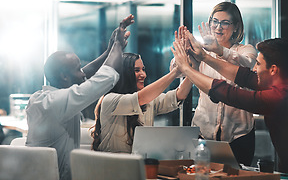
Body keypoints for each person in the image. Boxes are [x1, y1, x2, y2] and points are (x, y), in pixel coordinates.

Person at [171, 32, 288, 177]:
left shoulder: (279, 97)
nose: (254, 69)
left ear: (273, 69)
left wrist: (187, 69)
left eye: (258, 64)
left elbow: (230, 94)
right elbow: (245, 77)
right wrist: (205, 57)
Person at [26, 14, 134, 180]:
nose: (82, 73)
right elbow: (104, 78)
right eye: (77, 68)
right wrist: (118, 45)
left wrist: (109, 50)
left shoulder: (43, 98)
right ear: (64, 77)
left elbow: (86, 74)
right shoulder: (54, 103)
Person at [177, 2, 257, 165]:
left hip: (239, 135)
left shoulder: (246, 50)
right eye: (214, 21)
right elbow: (177, 69)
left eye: (225, 23)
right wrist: (185, 52)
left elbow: (246, 67)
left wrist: (219, 51)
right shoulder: (201, 51)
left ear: (236, 26)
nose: (218, 27)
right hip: (203, 132)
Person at [91, 29, 194, 153]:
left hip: (139, 165)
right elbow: (140, 98)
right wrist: (176, 71)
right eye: (136, 70)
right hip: (113, 167)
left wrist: (195, 66)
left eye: (143, 69)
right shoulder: (110, 100)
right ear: (124, 73)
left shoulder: (149, 100)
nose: (143, 75)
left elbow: (178, 96)